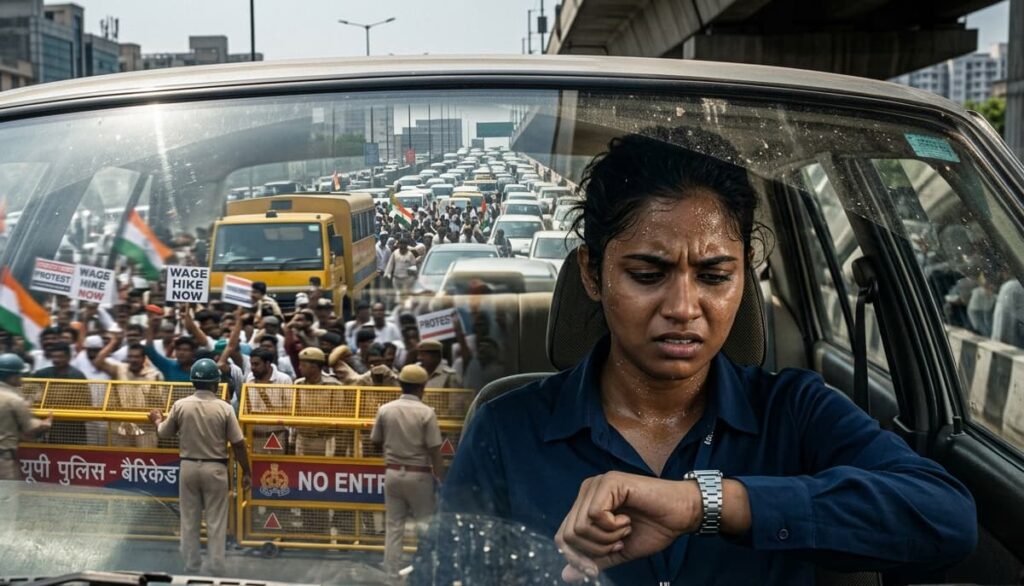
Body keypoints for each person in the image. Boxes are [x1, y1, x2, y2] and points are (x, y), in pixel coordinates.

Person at [433, 132, 976, 584]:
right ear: (592, 275)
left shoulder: (795, 411)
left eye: (715, 277)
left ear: (745, 276)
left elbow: (945, 517)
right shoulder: (507, 432)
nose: (684, 308)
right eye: (648, 275)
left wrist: (705, 503)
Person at [150, 359, 251, 576]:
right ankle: (216, 567)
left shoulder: (180, 405)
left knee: (189, 519)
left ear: (193, 382)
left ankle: (191, 565)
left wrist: (158, 419)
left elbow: (163, 433)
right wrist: (247, 471)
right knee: (216, 520)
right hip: (216, 468)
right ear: (216, 384)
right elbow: (239, 443)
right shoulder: (224, 408)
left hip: (187, 467)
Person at [370, 364, 446, 584]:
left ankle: (391, 578)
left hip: (393, 473)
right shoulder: (426, 412)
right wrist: (441, 478)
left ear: (401, 384)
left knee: (393, 529)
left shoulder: (385, 409)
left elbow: (375, 441)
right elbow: (434, 451)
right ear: (422, 387)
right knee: (426, 528)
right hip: (419, 475)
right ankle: (425, 575)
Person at [0, 353, 52, 480]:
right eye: (19, 375)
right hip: (4, 460)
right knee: (7, 498)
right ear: (12, 377)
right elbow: (29, 428)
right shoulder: (14, 400)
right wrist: (45, 423)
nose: (21, 378)